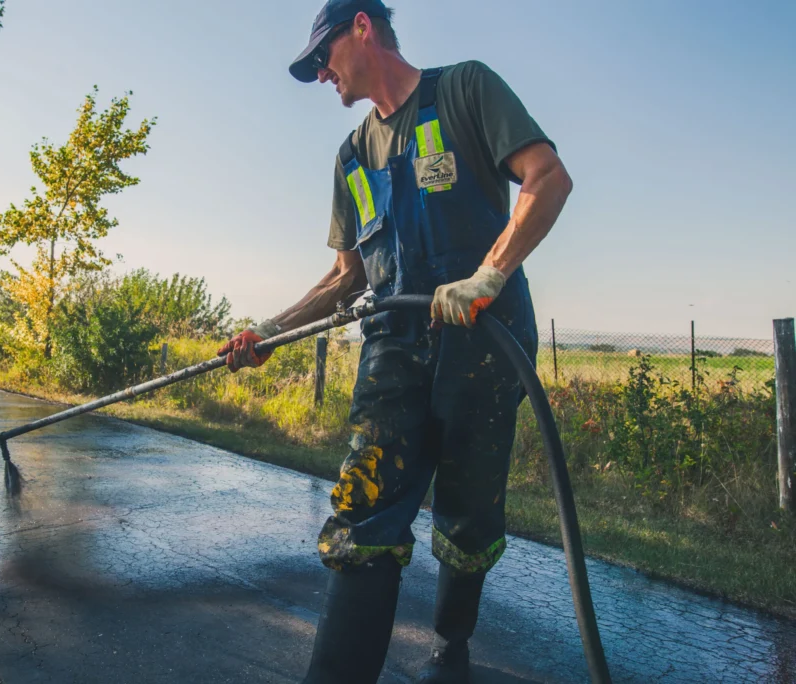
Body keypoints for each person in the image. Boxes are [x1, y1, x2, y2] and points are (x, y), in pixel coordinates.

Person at [218, 1, 572, 682]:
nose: (321, 74)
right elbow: (345, 276)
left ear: (362, 26)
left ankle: (450, 650)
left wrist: (488, 275)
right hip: (393, 348)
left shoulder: (465, 89)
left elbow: (547, 177)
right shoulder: (352, 156)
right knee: (363, 511)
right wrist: (270, 331)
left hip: (483, 344)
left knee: (468, 516)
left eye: (322, 57)